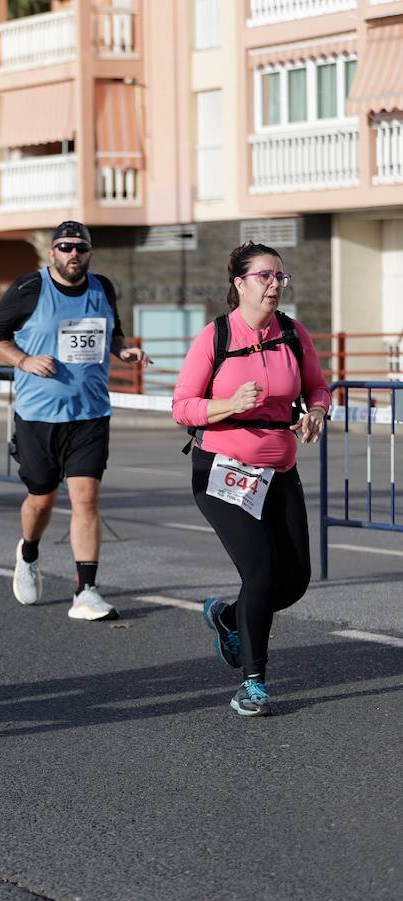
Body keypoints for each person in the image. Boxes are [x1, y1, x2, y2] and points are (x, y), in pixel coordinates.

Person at [172, 242, 329, 717]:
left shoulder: (293, 334)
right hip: (223, 469)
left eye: (280, 277)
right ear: (239, 283)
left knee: (296, 579)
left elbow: (317, 385)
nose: (275, 285)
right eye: (265, 276)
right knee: (260, 571)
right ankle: (253, 683)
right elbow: (182, 406)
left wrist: (318, 410)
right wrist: (228, 406)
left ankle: (227, 615)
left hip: (280, 469)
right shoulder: (215, 337)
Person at [0, 220, 149, 621]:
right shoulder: (30, 288)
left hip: (90, 413)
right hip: (38, 414)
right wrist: (23, 360)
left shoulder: (103, 288)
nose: (73, 254)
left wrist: (122, 352)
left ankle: (86, 591)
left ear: (89, 253)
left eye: (80, 247)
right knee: (42, 497)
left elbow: (113, 334)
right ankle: (28, 552)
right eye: (65, 247)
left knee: (87, 498)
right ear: (53, 252)